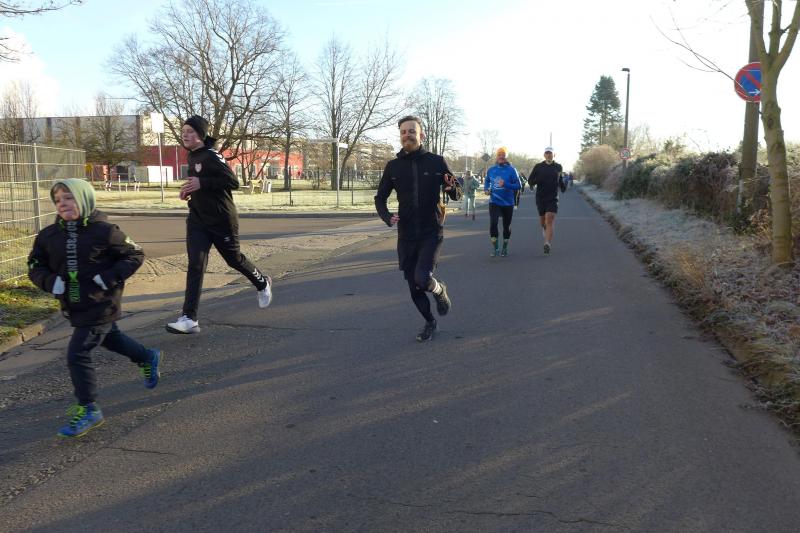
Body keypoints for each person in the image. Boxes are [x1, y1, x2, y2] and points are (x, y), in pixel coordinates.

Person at [27, 178, 161, 437]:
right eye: (57, 200)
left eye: (69, 198)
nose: (62, 204)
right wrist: (49, 281)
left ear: (84, 199)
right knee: (111, 338)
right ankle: (146, 357)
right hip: (73, 304)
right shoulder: (48, 235)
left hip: (101, 302)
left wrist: (108, 278)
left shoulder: (105, 231)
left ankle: (89, 408)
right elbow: (34, 265)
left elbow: (134, 254)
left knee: (77, 354)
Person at [166, 115, 272, 334]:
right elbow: (199, 185)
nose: (185, 135)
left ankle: (262, 283)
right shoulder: (192, 156)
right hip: (198, 220)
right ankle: (189, 318)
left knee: (234, 259)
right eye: (183, 131)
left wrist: (202, 183)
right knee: (196, 265)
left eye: (190, 131)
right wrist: (188, 191)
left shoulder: (212, 155)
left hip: (221, 219)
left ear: (201, 134)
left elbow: (233, 182)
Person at [375, 115, 462, 342]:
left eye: (412, 131)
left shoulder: (437, 162)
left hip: (431, 232)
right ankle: (430, 322)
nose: (407, 135)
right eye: (403, 132)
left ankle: (439, 290)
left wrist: (452, 188)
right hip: (406, 235)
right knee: (414, 287)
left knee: (422, 278)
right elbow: (380, 197)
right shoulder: (393, 166)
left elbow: (457, 193)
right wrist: (387, 217)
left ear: (421, 135)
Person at [483, 147, 521, 257]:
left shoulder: (512, 170)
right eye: (499, 154)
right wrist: (486, 189)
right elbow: (487, 181)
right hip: (494, 201)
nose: (501, 156)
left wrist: (506, 185)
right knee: (493, 223)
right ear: (497, 156)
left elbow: (518, 185)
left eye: (503, 155)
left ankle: (504, 247)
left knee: (506, 226)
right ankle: (495, 248)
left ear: (506, 157)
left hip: (508, 203)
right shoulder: (491, 170)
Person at [528, 147, 566, 255]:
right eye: (547, 153)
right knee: (543, 221)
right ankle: (545, 230)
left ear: (554, 155)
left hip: (553, 197)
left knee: (549, 219)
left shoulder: (558, 167)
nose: (549, 155)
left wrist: (562, 186)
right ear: (544, 155)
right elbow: (530, 181)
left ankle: (547, 243)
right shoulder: (538, 167)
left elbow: (560, 178)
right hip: (540, 197)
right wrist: (537, 181)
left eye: (550, 153)